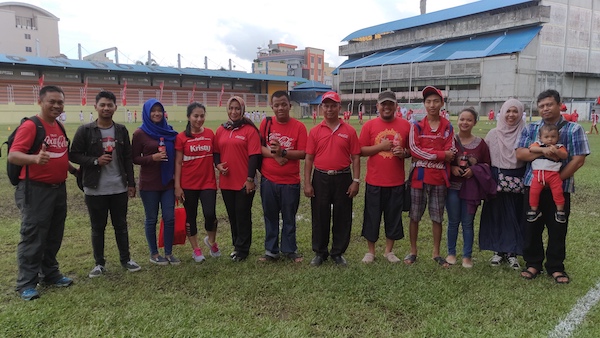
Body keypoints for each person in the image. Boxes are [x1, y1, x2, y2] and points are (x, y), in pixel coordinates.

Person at [8, 85, 76, 300]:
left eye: (60, 102)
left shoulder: (59, 126)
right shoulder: (31, 126)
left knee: (54, 235)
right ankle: (26, 283)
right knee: (33, 235)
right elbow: (13, 155)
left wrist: (74, 171)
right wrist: (34, 159)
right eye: (52, 102)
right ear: (40, 102)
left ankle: (50, 273)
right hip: (35, 190)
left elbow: (59, 155)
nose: (56, 106)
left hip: (58, 189)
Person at [516, 89, 589, 284]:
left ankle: (556, 267)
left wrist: (554, 180)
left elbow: (578, 159)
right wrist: (543, 152)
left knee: (558, 227)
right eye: (541, 106)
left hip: (559, 187)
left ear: (559, 105)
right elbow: (521, 154)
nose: (545, 108)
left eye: (549, 104)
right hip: (532, 185)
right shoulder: (531, 129)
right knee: (532, 226)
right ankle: (533, 263)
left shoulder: (574, 129)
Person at [70, 91, 141, 278]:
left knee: (121, 225)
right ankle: (99, 263)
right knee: (97, 227)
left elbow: (127, 158)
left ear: (115, 107)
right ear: (96, 107)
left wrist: (131, 183)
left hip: (118, 187)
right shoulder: (85, 131)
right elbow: (74, 155)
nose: (106, 108)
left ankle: (126, 260)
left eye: (110, 105)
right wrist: (95, 161)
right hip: (95, 188)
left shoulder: (121, 130)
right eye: (102, 105)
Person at [304, 91, 360, 267]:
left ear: (339, 107)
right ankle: (320, 252)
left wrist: (356, 181)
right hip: (320, 177)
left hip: (343, 176)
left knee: (342, 216)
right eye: (326, 105)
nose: (329, 109)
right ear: (322, 108)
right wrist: (307, 182)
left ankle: (338, 252)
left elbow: (356, 157)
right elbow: (309, 159)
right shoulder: (314, 131)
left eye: (333, 105)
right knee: (320, 215)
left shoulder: (349, 131)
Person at [404, 86, 456, 268]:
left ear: (442, 103)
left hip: (439, 178)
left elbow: (453, 150)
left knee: (437, 217)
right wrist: (440, 155)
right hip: (418, 177)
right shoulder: (417, 125)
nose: (432, 105)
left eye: (435, 101)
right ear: (424, 104)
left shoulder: (448, 126)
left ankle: (436, 253)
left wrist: (431, 153)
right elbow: (414, 150)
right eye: (428, 101)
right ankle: (413, 251)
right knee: (415, 216)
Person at [358, 90, 411, 264]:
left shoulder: (405, 126)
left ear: (396, 106)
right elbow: (361, 150)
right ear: (378, 106)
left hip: (396, 181)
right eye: (383, 104)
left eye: (390, 104)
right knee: (372, 216)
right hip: (374, 180)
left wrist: (403, 153)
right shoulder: (369, 126)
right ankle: (370, 251)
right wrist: (381, 146)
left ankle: (389, 251)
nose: (387, 107)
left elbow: (411, 151)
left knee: (393, 217)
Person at [258, 91, 307, 262]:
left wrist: (284, 152)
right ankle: (271, 251)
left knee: (289, 217)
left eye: (283, 104)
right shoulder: (266, 123)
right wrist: (275, 155)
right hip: (268, 179)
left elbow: (303, 153)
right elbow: (259, 147)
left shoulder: (299, 127)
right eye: (277, 105)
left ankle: (289, 250)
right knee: (270, 216)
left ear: (289, 106)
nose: (280, 108)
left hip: (290, 182)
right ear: (272, 107)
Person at [479, 99, 527, 269]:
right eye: (508, 111)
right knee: (496, 214)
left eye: (515, 111)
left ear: (521, 113)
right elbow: (484, 158)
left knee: (515, 215)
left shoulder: (525, 132)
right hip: (496, 177)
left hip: (518, 177)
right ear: (502, 112)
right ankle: (498, 251)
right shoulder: (493, 134)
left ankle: (512, 252)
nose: (511, 115)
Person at [132, 98, 180, 265]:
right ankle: (154, 253)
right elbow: (134, 158)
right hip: (149, 183)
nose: (157, 113)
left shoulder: (170, 131)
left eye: (160, 110)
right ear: (147, 112)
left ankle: (168, 252)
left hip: (167, 182)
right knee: (151, 218)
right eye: (153, 110)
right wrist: (152, 158)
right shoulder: (140, 133)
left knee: (169, 217)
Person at [214, 96, 261, 262]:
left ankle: (243, 249)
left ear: (242, 110)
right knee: (232, 215)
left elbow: (254, 156)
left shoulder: (249, 130)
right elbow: (216, 152)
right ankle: (237, 245)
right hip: (227, 182)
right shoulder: (221, 130)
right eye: (231, 108)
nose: (234, 111)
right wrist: (218, 165)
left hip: (244, 181)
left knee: (243, 215)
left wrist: (250, 179)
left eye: (237, 108)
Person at [445, 108, 493, 268]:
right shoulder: (449, 141)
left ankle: (467, 256)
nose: (465, 122)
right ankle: (451, 253)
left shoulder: (480, 144)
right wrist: (452, 168)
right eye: (462, 119)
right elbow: (443, 161)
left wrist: (474, 170)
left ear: (475, 122)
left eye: (469, 120)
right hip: (453, 187)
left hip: (471, 190)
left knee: (467, 223)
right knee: (453, 222)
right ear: (457, 120)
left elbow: (487, 164)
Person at [174, 102, 221, 263]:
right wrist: (177, 186)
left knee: (210, 214)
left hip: (208, 183)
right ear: (189, 117)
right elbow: (178, 163)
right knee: (190, 217)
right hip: (188, 185)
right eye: (196, 116)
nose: (199, 119)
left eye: (202, 116)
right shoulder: (181, 137)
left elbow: (216, 155)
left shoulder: (210, 134)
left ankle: (211, 241)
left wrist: (219, 165)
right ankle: (196, 249)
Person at [526, 124, 568, 223]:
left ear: (558, 137)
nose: (550, 139)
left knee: (558, 192)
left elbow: (565, 155)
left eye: (553, 137)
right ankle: (534, 210)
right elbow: (531, 148)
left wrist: (557, 151)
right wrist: (543, 150)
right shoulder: (538, 144)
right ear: (540, 137)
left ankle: (560, 210)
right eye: (546, 137)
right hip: (538, 175)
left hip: (554, 175)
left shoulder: (559, 146)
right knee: (533, 192)